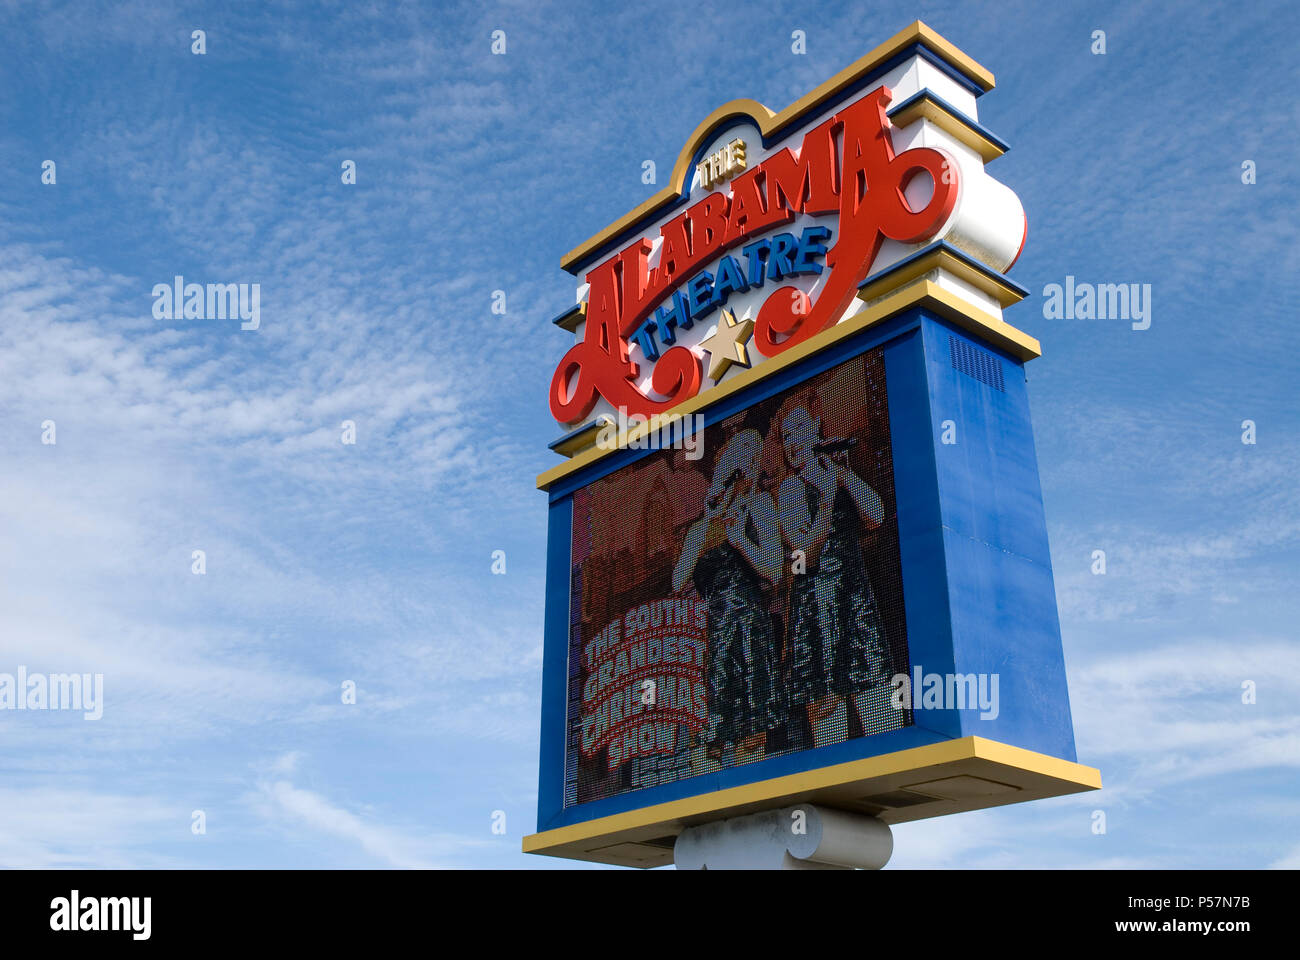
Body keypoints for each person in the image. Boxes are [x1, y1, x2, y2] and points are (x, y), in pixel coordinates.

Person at [775, 400, 892, 749]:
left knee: (882, 722)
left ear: (816, 427)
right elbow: (802, 556)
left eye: (797, 430)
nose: (791, 442)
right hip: (816, 613)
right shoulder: (790, 490)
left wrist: (843, 476)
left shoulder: (837, 473)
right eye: (784, 436)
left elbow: (877, 516)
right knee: (830, 733)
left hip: (854, 604)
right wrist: (826, 501)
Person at [672, 428, 784, 765]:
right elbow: (678, 580)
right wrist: (709, 522)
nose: (747, 467)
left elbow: (776, 570)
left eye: (753, 459)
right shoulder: (701, 527)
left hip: (748, 629)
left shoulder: (760, 506)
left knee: (749, 729)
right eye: (740, 458)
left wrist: (740, 541)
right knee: (708, 733)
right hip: (710, 635)